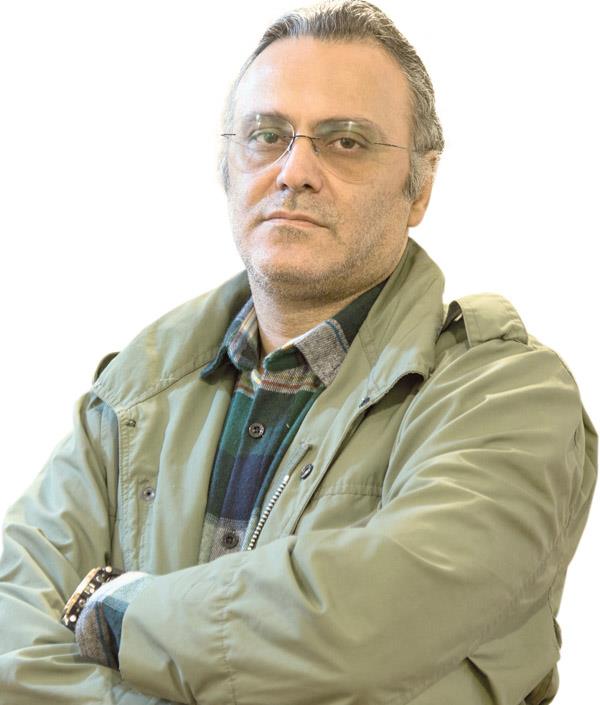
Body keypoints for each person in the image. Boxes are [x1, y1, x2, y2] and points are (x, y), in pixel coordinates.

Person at [0, 0, 597, 703]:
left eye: (346, 141)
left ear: (421, 186)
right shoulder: (131, 397)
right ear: (227, 165)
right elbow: (10, 637)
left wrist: (116, 612)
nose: (295, 170)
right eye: (267, 135)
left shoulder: (508, 396)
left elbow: (368, 626)